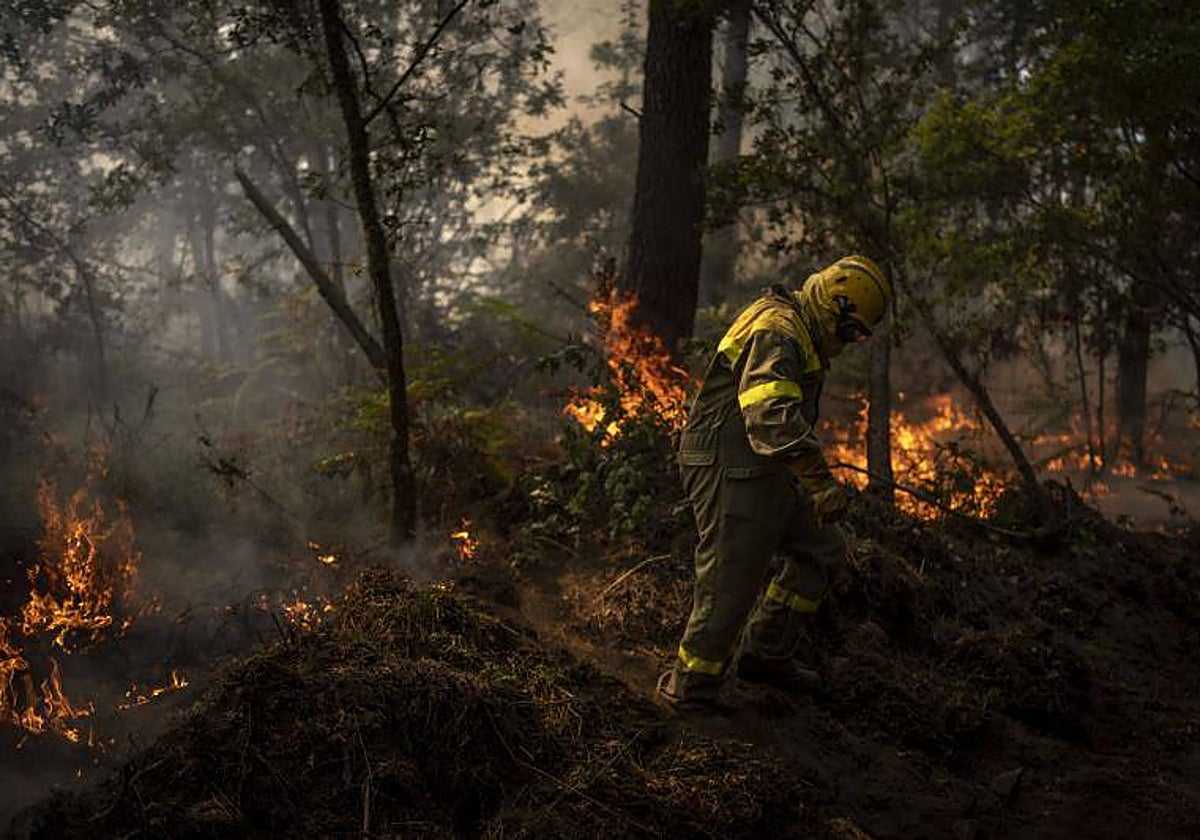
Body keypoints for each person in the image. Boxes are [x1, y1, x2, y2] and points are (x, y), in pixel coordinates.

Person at [657, 255, 893, 714]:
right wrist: (821, 484)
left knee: (822, 551)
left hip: (765, 467)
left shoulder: (799, 331)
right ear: (833, 309)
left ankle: (765, 652)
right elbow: (771, 415)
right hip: (728, 463)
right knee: (730, 579)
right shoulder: (779, 329)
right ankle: (691, 690)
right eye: (848, 332)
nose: (847, 345)